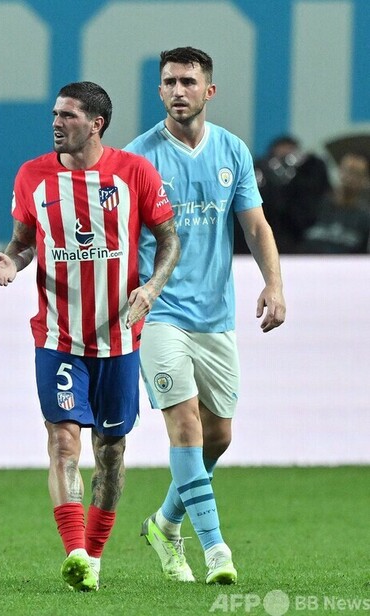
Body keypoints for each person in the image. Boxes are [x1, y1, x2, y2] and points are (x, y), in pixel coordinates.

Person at [0, 81, 180, 591]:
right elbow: (22, 241)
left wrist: (152, 287)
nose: (56, 123)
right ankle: (75, 549)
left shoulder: (134, 173)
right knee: (62, 441)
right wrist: (10, 260)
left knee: (111, 450)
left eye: (68, 115)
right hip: (58, 337)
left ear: (96, 124)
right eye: (55, 114)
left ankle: (93, 556)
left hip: (119, 339)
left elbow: (169, 239)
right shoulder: (32, 176)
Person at [125, 46, 286, 585]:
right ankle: (216, 550)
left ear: (209, 91)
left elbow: (255, 226)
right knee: (186, 426)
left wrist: (274, 283)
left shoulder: (232, 151)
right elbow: (119, 237)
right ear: (159, 90)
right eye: (169, 82)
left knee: (218, 435)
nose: (178, 90)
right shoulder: (139, 158)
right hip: (159, 312)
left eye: (188, 82)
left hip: (215, 314)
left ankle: (164, 523)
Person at [239, 135, 330, 254]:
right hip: (259, 234)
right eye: (281, 156)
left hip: (297, 237)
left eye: (290, 153)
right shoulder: (258, 171)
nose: (286, 157)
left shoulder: (310, 169)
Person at [297, 152, 370, 253]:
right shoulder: (315, 204)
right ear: (339, 171)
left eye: (356, 173)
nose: (350, 178)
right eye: (348, 171)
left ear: (365, 180)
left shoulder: (365, 218)